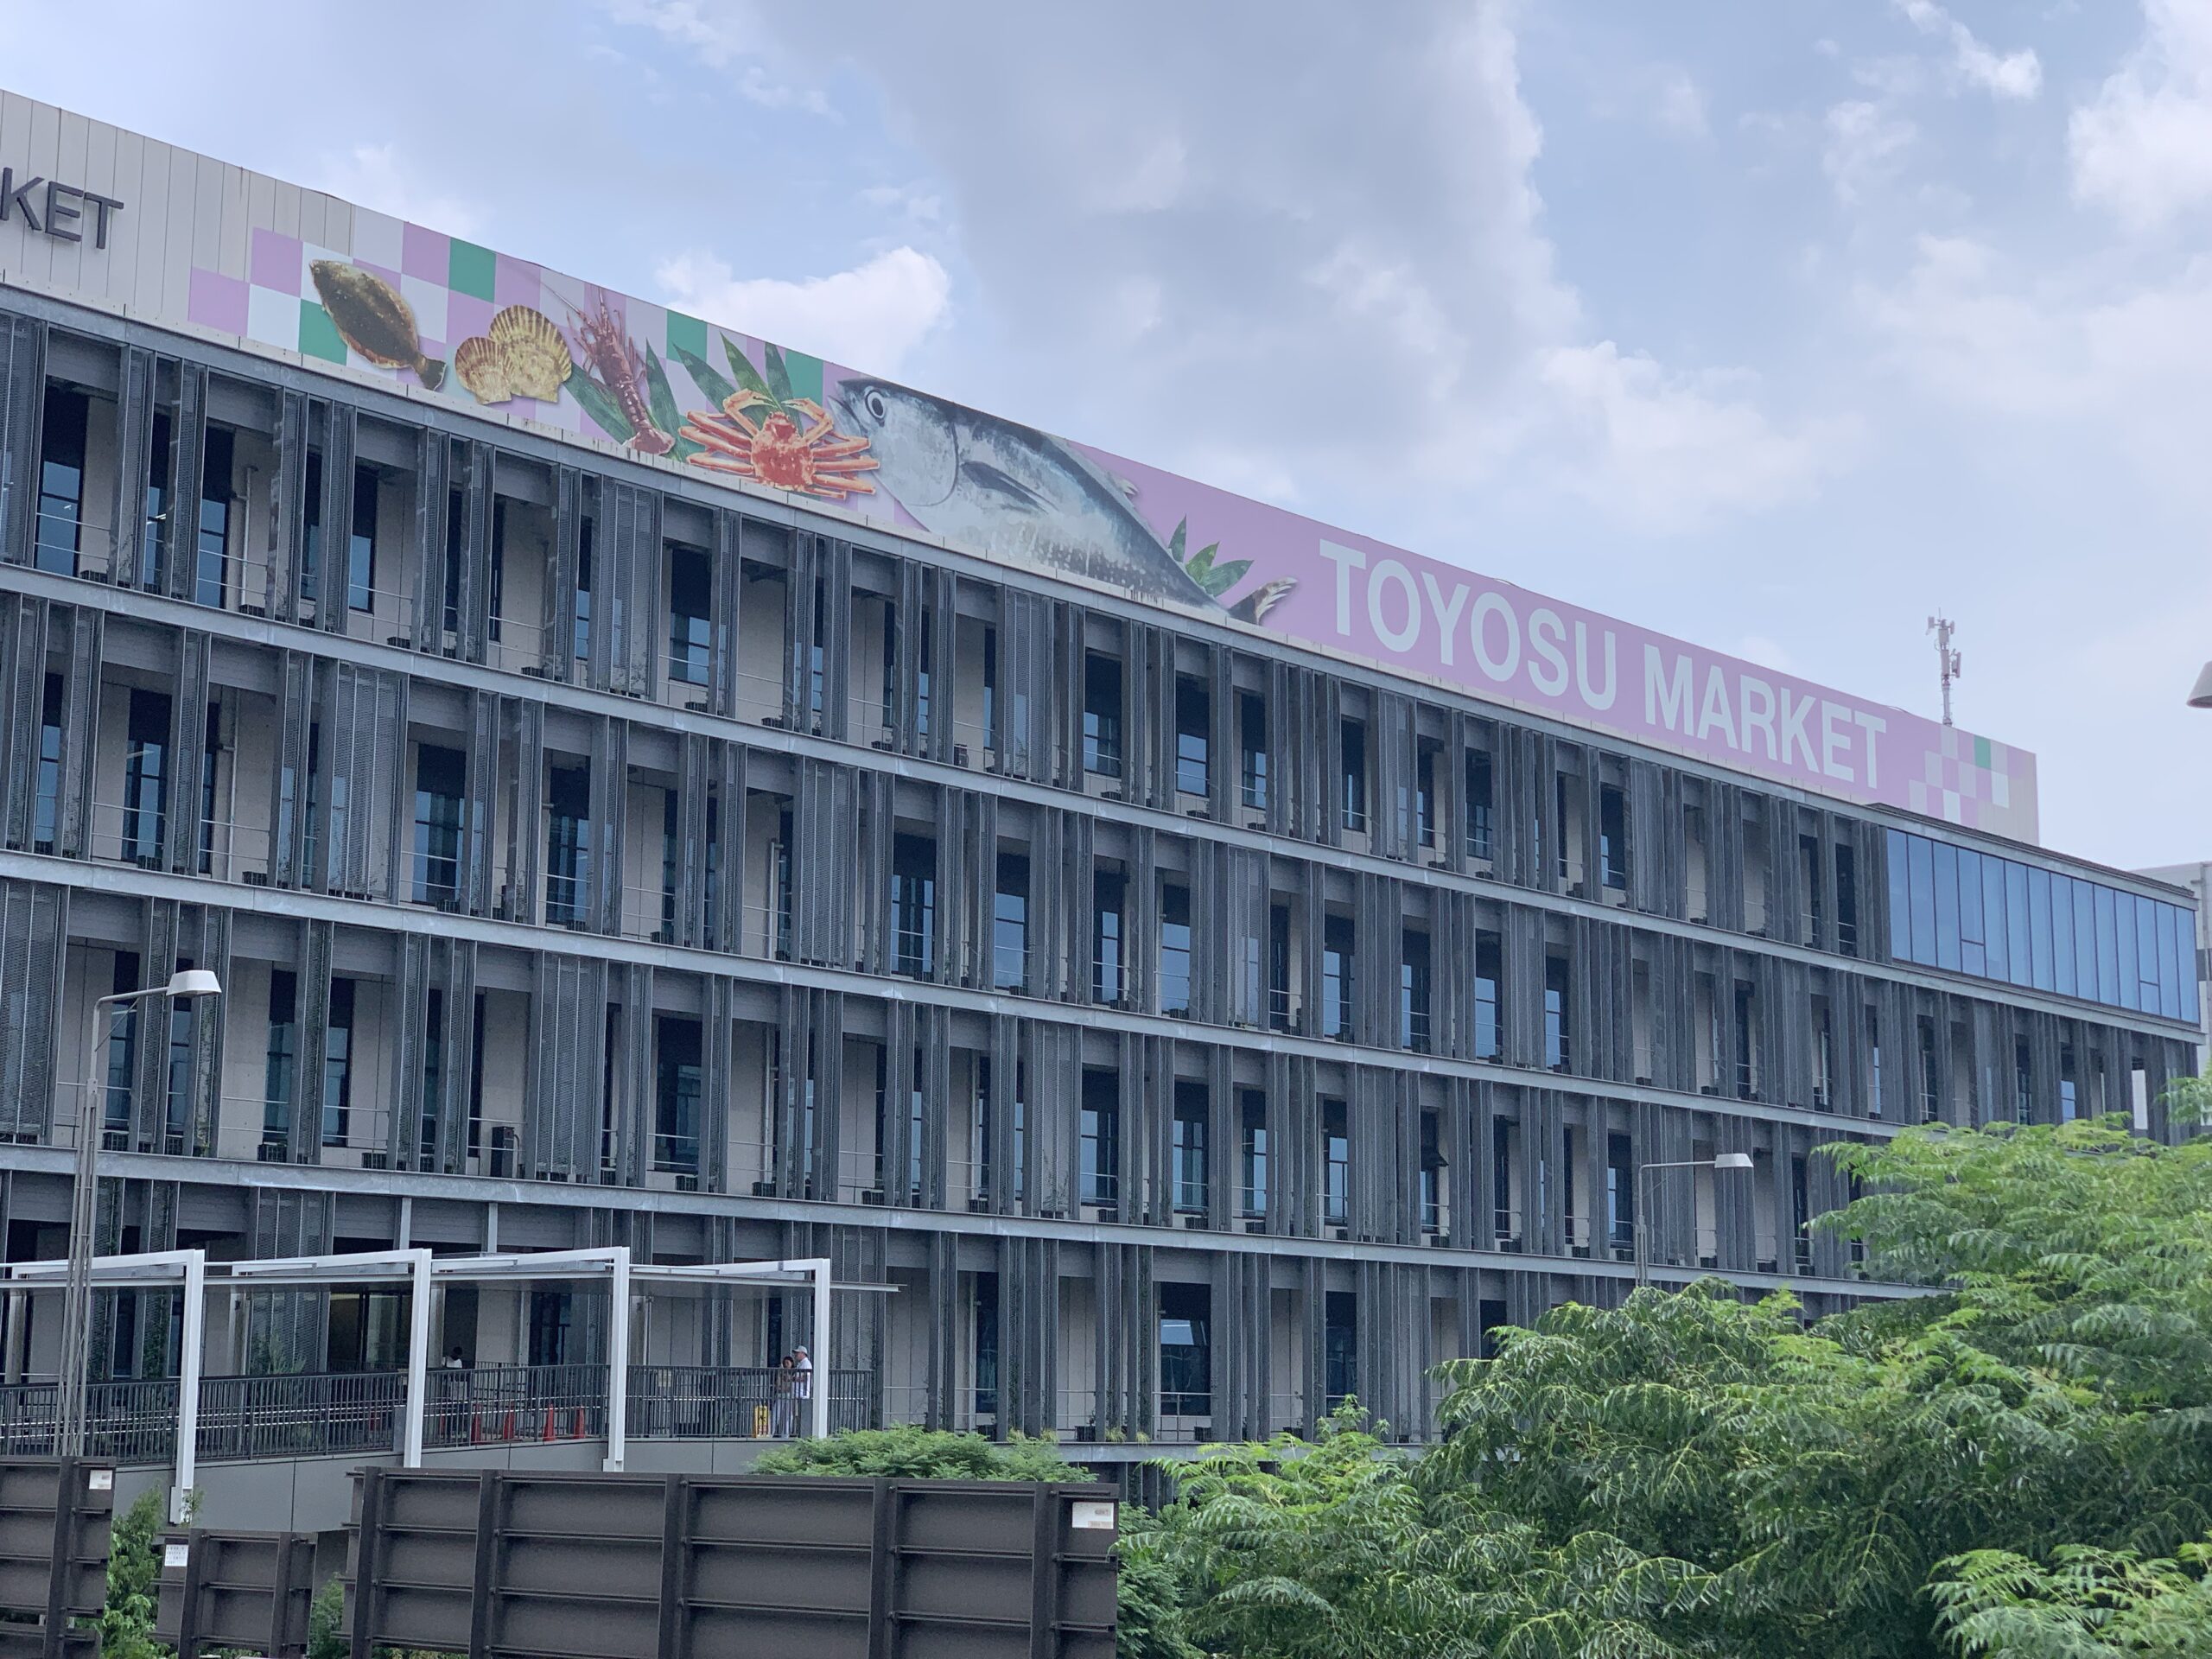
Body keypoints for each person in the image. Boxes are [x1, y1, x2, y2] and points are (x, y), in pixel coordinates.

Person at [769, 1353, 797, 1438]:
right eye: (785, 1363)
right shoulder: (781, 1373)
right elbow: (778, 1385)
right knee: (775, 1415)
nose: (786, 1365)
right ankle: (770, 1433)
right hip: (781, 1396)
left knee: (788, 1417)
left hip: (790, 1396)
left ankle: (785, 1435)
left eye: (787, 1363)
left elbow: (791, 1386)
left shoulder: (794, 1373)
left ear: (792, 1363)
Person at [791, 1344, 814, 1434]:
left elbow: (805, 1378)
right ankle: (798, 1432)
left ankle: (801, 1433)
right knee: (796, 1415)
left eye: (797, 1353)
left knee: (800, 1415)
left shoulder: (806, 1364)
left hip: (802, 1394)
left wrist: (792, 1379)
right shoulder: (800, 1364)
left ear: (803, 1354)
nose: (796, 1355)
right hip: (797, 1394)